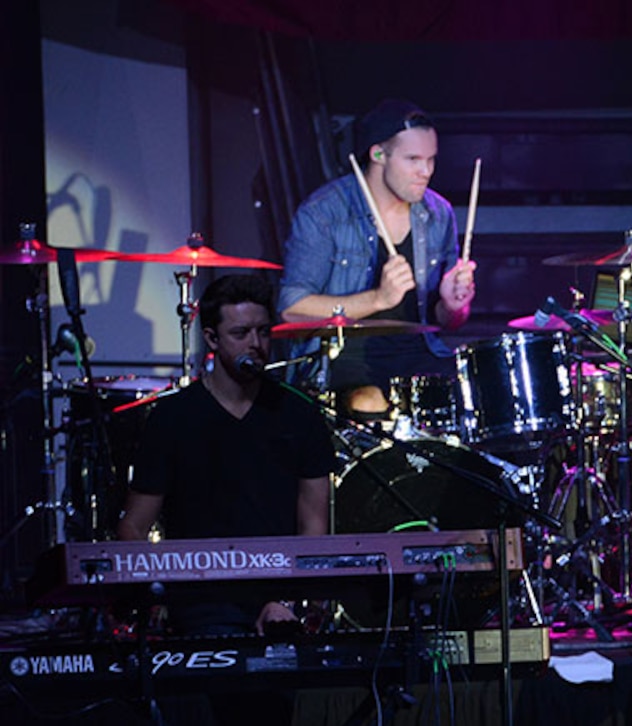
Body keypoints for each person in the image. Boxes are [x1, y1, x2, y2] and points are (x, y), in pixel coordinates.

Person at [118, 271, 334, 632]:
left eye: (263, 332)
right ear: (211, 338)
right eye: (240, 334)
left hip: (279, 602)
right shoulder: (173, 417)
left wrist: (289, 600)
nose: (256, 344)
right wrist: (154, 595)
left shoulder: (299, 414)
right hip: (198, 601)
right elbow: (134, 526)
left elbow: (313, 526)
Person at [278, 98, 476, 415]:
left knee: (477, 394)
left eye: (431, 160)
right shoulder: (324, 212)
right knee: (368, 401)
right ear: (378, 154)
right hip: (343, 361)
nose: (425, 171)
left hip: (416, 355)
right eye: (413, 159)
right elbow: (291, 309)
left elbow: (448, 322)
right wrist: (378, 299)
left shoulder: (438, 213)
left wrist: (454, 305)